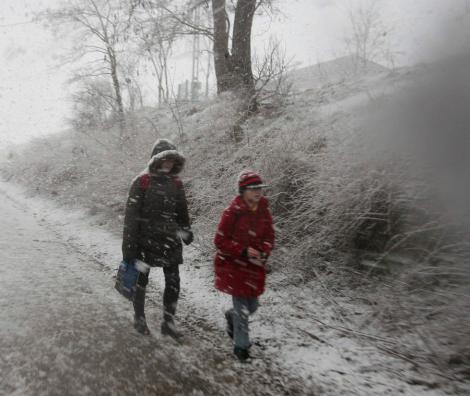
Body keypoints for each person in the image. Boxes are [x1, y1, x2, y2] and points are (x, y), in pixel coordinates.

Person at [122, 139, 193, 339]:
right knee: (141, 281)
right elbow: (131, 218)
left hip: (170, 241)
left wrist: (186, 230)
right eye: (165, 159)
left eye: (171, 160)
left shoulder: (176, 183)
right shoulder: (141, 181)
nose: (168, 164)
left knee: (173, 282)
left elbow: (182, 211)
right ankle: (139, 318)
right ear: (156, 159)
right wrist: (129, 248)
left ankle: (168, 323)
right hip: (145, 242)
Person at [214, 171, 275, 361]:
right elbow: (220, 241)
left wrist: (264, 251)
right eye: (253, 189)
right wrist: (243, 251)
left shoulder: (264, 210)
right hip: (234, 267)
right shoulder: (232, 213)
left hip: (254, 268)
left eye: (260, 188)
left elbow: (270, 236)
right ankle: (241, 347)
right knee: (243, 310)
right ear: (243, 191)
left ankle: (231, 316)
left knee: (253, 306)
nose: (258, 192)